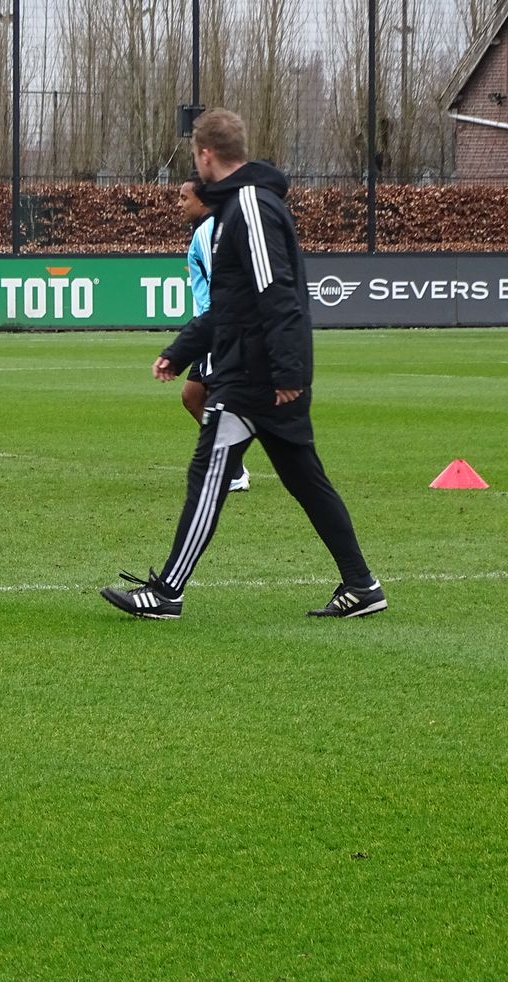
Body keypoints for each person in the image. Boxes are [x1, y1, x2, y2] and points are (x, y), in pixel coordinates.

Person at [100, 108, 385, 620]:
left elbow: (276, 294)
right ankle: (362, 586)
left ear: (205, 155)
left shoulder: (250, 206)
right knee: (306, 481)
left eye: (195, 157)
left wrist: (287, 372)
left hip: (254, 377)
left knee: (207, 474)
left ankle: (167, 591)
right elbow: (231, 303)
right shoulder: (237, 208)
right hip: (258, 369)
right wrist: (181, 350)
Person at [178, 176, 248, 493]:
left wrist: (210, 326)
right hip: (211, 326)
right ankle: (232, 464)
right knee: (193, 397)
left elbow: (218, 282)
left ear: (202, 201)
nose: (179, 204)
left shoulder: (208, 231)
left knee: (219, 399)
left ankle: (231, 469)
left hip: (214, 326)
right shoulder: (205, 231)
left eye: (184, 198)